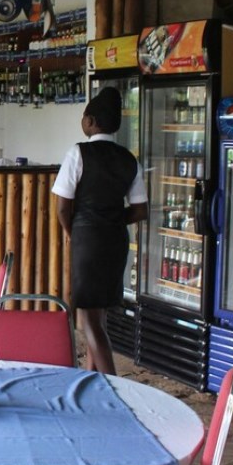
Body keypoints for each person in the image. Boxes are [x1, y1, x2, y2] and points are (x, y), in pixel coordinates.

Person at [51, 87, 147, 374]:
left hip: (88, 240)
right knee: (100, 313)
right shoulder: (129, 159)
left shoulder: (78, 152)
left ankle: (113, 386)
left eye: (84, 118)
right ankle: (94, 380)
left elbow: (62, 208)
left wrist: (72, 231)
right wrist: (114, 220)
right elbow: (140, 210)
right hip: (117, 240)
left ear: (91, 121)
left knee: (87, 321)